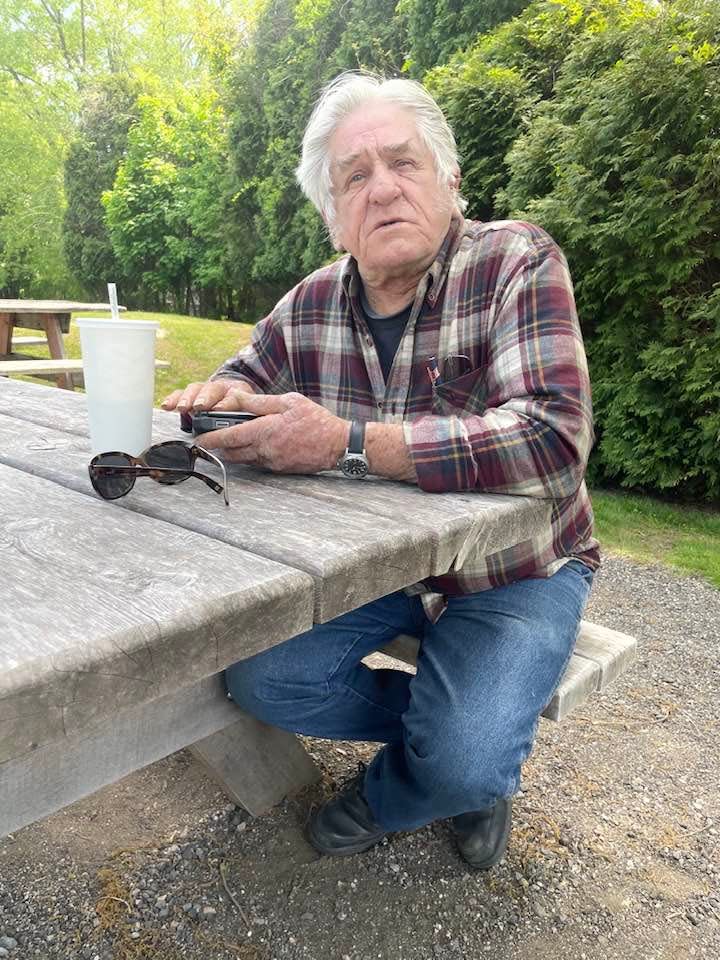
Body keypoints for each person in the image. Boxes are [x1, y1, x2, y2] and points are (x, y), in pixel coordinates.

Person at [162, 71, 599, 870]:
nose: (383, 189)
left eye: (403, 163)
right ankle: (463, 762)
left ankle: (415, 786)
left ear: (450, 179)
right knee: (265, 683)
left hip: (517, 567)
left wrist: (349, 444)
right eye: (354, 177)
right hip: (377, 569)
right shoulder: (312, 301)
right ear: (334, 219)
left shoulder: (515, 262)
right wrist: (220, 401)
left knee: (466, 755)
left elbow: (554, 439)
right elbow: (241, 380)